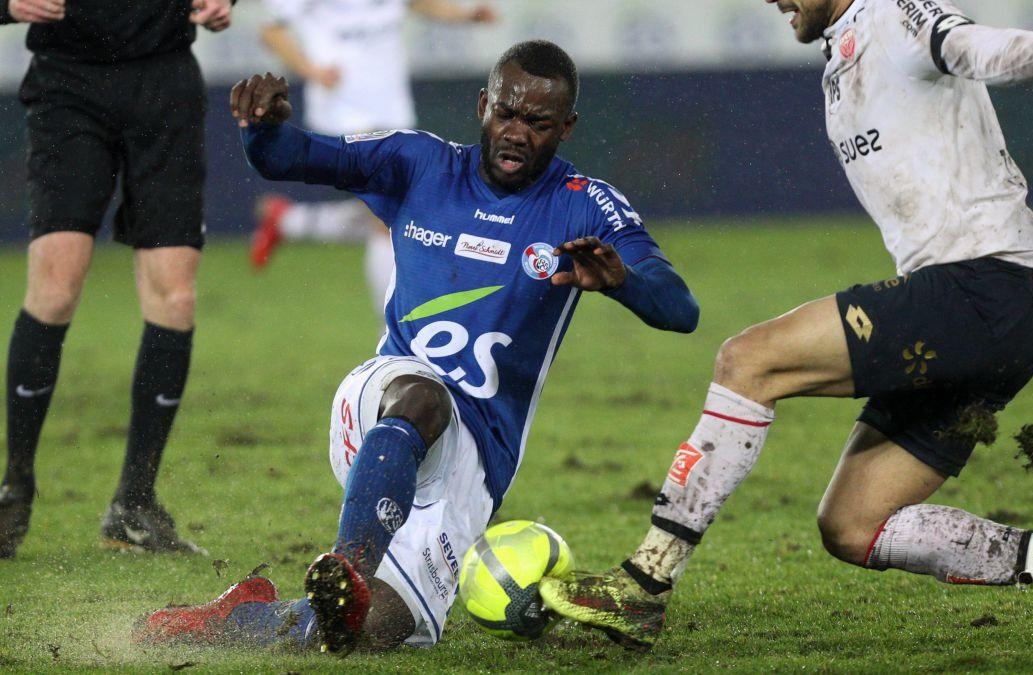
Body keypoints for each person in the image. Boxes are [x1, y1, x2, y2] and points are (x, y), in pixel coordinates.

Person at [539, 0, 1033, 651]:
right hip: (996, 321)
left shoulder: (896, 12)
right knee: (852, 524)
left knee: (749, 359)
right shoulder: (842, 50)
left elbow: (974, 49)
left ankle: (644, 586)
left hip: (977, 289)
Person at [134, 40, 700, 653]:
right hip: (389, 400)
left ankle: (238, 618)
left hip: (476, 460)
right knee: (426, 398)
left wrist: (623, 283)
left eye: (538, 123)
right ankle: (349, 562)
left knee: (362, 631)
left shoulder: (585, 206)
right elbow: (294, 157)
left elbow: (681, 309)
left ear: (565, 128)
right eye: (506, 112)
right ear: (483, 105)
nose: (517, 132)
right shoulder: (420, 163)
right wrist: (261, 129)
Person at [0, 0, 241, 558]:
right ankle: (15, 484)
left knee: (176, 298)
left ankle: (134, 502)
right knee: (56, 288)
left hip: (164, 84)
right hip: (68, 85)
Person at [249, 0, 497, 319]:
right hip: (344, 110)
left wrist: (465, 15)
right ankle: (392, 328)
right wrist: (310, 70)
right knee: (387, 219)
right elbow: (270, 30)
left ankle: (288, 220)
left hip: (392, 108)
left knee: (393, 213)